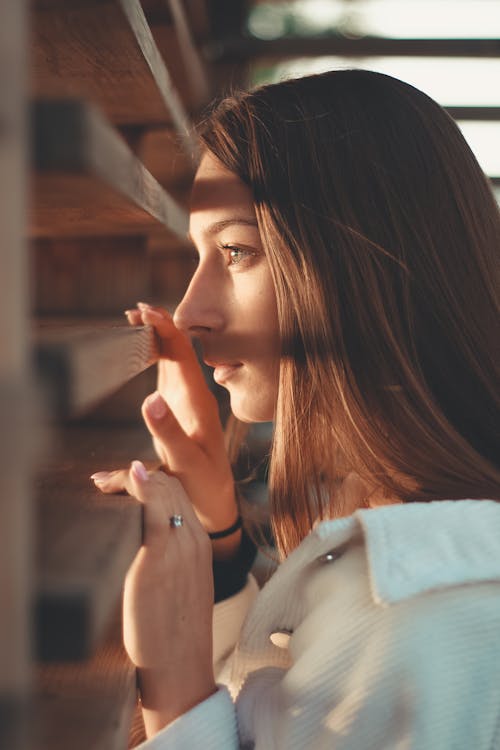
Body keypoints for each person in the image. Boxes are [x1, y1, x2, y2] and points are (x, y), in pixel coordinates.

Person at [92, 69, 500, 749]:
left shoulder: (425, 609)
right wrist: (218, 545)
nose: (189, 313)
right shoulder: (403, 546)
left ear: (363, 267)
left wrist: (174, 689)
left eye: (236, 251)